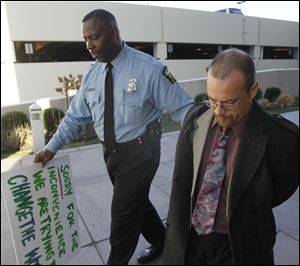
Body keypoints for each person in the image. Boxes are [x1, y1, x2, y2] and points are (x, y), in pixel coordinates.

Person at [33, 9, 194, 265]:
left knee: (121, 219)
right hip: (111, 154)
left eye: (94, 37)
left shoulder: (148, 69)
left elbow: (184, 109)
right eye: (85, 39)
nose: (89, 45)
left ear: (114, 33)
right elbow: (76, 117)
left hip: (142, 151)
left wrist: (210, 137)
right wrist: (51, 147)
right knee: (137, 204)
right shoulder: (92, 75)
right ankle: (163, 242)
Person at [162, 48, 299, 265]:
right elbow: (182, 185)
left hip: (239, 246)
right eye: (212, 100)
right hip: (192, 240)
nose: (218, 110)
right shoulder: (195, 121)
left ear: (253, 90)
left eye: (228, 103)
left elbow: (277, 193)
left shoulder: (283, 139)